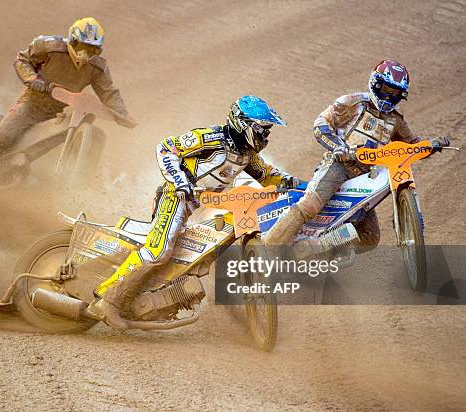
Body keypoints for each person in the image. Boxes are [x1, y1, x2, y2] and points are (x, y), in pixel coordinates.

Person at [89, 95, 299, 329]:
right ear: (243, 124)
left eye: (267, 130)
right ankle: (108, 300)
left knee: (197, 254)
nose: (265, 135)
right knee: (158, 252)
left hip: (197, 205)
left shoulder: (248, 155)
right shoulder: (211, 138)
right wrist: (179, 182)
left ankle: (154, 294)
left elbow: (268, 175)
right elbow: (166, 147)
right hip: (174, 197)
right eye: (262, 129)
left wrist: (301, 185)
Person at [264, 60, 451, 249]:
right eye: (386, 89)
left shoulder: (396, 119)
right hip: (338, 165)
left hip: (367, 177)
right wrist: (339, 147)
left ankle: (319, 248)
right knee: (310, 205)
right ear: (376, 84)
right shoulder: (353, 103)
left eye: (394, 93)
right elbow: (321, 124)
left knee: (370, 238)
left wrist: (431, 146)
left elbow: (411, 145)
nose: (388, 96)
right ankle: (269, 248)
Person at [0, 17, 135, 171]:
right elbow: (22, 60)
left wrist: (122, 115)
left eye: (92, 49)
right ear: (73, 41)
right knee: (3, 138)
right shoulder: (50, 46)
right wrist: (33, 80)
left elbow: (109, 93)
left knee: (71, 146)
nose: (85, 54)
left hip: (62, 113)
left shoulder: (98, 67)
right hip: (32, 103)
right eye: (82, 47)